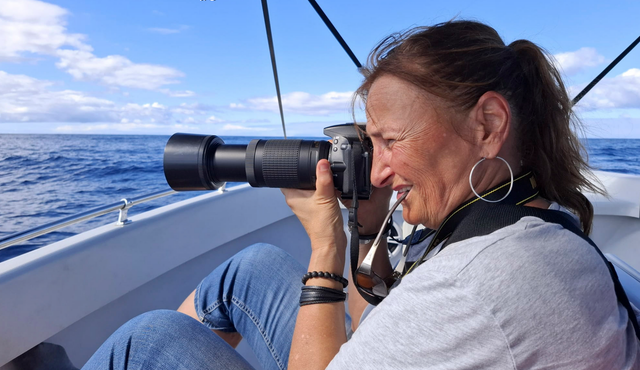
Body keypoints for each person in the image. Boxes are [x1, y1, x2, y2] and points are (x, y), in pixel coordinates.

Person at [82, 20, 640, 369]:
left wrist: (326, 251)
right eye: (372, 144)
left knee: (152, 340)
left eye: (391, 141)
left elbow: (435, 312)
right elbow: (374, 331)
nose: (377, 172)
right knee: (250, 268)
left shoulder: (473, 287)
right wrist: (368, 229)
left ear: (488, 124)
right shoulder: (531, 213)